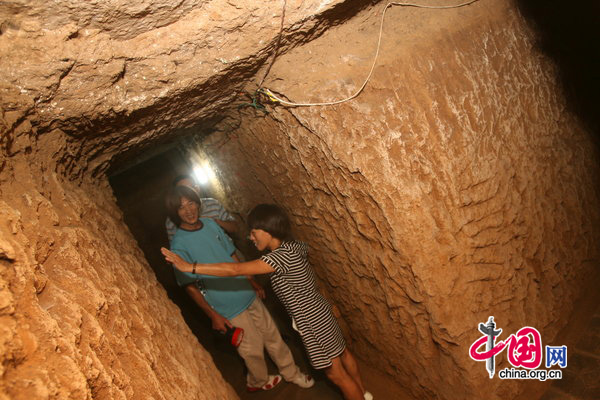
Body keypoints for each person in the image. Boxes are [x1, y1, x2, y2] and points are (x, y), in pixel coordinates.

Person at [162, 204, 372, 400]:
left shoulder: (278, 258)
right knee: (344, 354)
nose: (250, 237)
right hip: (320, 310)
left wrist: (190, 267)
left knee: (336, 375)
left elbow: (235, 269)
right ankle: (363, 393)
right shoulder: (293, 246)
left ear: (267, 229)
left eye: (254, 231)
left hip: (312, 321)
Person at [165, 188, 313, 392]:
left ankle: (292, 372)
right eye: (181, 208)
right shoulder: (178, 245)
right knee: (251, 347)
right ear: (175, 213)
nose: (188, 210)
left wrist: (250, 281)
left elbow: (231, 253)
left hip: (245, 292)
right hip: (226, 304)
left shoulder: (209, 224)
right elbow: (189, 286)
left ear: (198, 203)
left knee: (272, 335)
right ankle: (257, 381)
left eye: (191, 203)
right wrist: (213, 315)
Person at [165, 174, 237, 243]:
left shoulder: (213, 204)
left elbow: (234, 228)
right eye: (182, 190)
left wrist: (214, 221)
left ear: (197, 188)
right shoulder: (172, 220)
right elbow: (178, 251)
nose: (187, 193)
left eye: (191, 188)